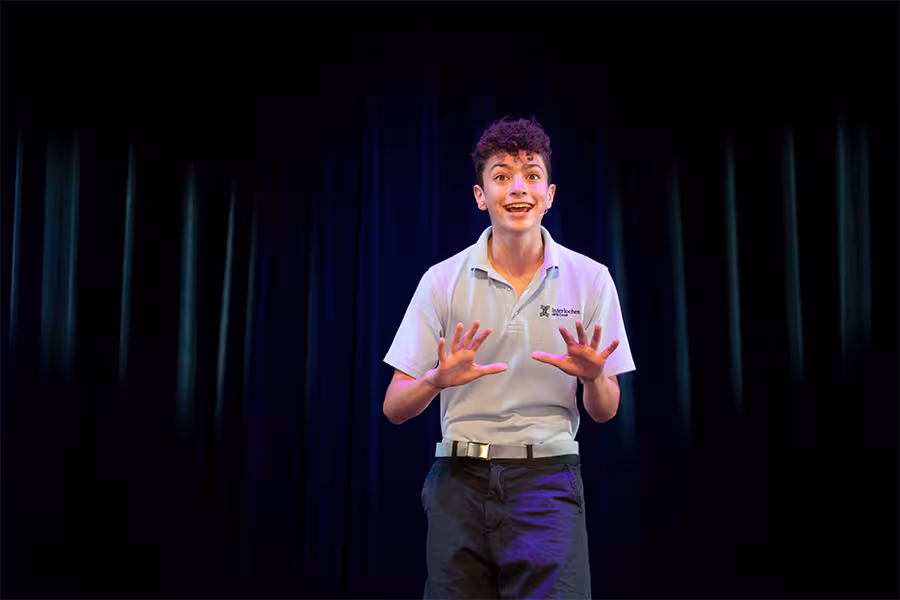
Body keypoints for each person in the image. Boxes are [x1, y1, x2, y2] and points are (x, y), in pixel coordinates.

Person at [383, 117, 636, 599]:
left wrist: (594, 377)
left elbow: (605, 411)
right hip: (458, 481)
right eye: (501, 176)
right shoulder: (441, 280)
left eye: (531, 175)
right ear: (481, 196)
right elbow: (394, 407)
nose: (518, 188)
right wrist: (436, 379)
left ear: (550, 194)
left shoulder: (591, 278)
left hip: (548, 481)